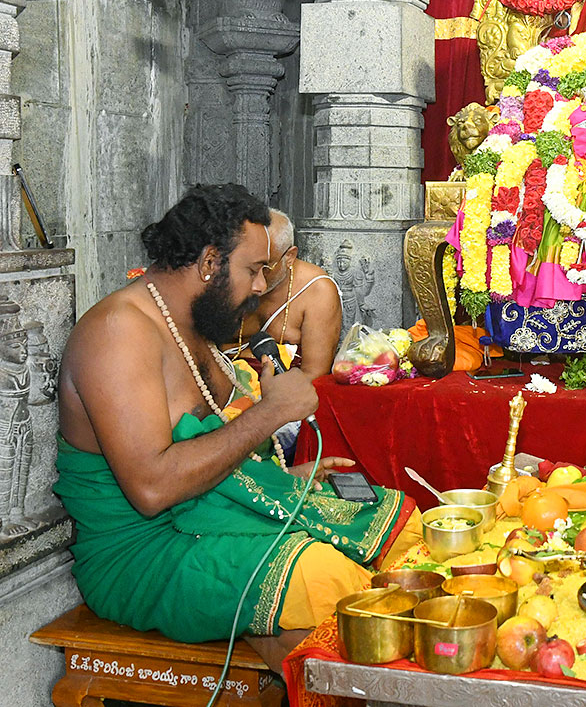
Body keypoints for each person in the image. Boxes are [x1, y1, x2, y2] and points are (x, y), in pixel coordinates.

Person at [54, 184, 418, 666]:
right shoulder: (118, 332)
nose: (262, 286)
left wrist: (278, 481)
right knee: (325, 576)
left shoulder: (194, 325)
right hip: (145, 552)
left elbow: (207, 448)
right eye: (253, 270)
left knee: (400, 528)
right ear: (209, 263)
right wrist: (269, 414)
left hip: (210, 510)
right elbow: (151, 487)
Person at [229, 208, 342, 381]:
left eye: (265, 268)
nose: (256, 282)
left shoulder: (317, 290)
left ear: (289, 256)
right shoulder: (226, 276)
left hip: (285, 395)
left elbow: (313, 375)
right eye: (249, 268)